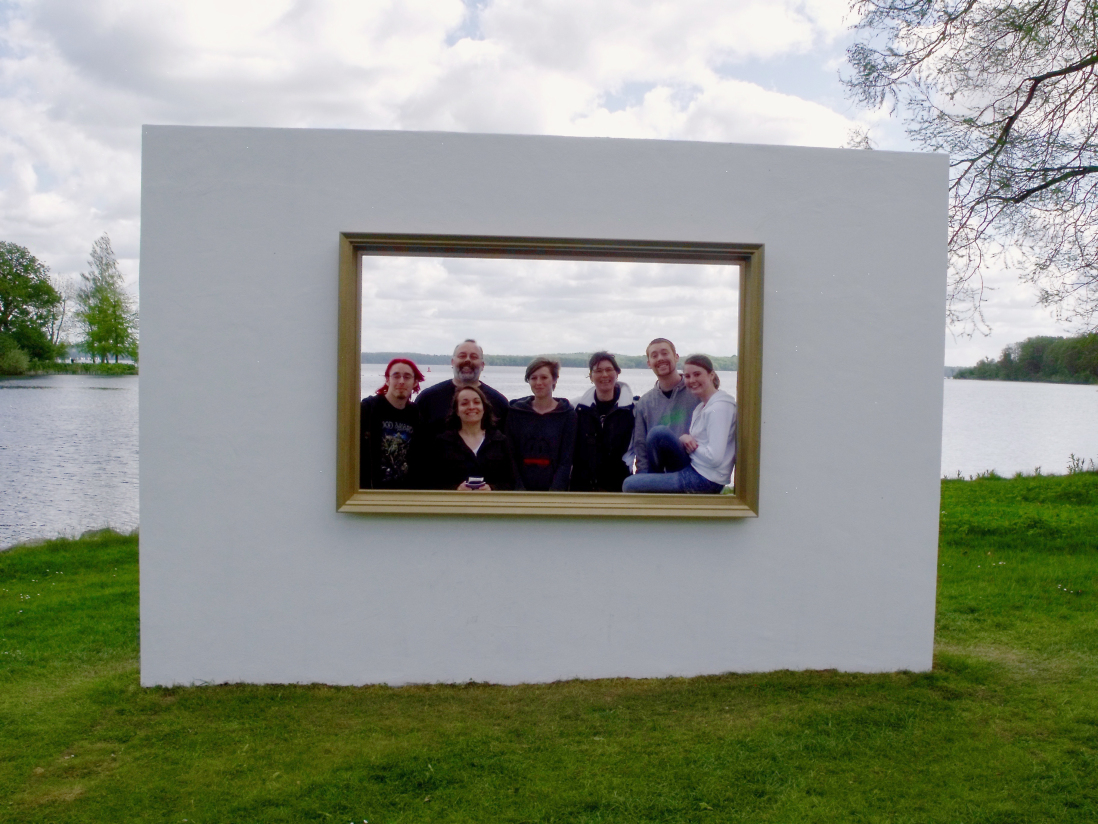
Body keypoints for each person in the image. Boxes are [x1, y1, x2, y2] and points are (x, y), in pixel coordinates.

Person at [623, 354, 736, 494]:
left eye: (697, 374)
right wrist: (685, 439)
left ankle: (651, 489)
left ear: (711, 375)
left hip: (705, 480)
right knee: (658, 433)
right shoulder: (702, 406)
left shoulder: (719, 408)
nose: (692, 380)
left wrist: (688, 445)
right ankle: (652, 481)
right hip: (694, 468)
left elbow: (714, 458)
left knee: (629, 484)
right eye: (688, 376)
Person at [414, 338, 510, 440]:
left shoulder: (500, 402)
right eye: (462, 356)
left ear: (482, 365)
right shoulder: (428, 399)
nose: (467, 360)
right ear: (452, 362)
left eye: (474, 357)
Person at [630, 337, 701, 474]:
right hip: (659, 471)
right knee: (630, 484)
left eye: (665, 353)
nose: (660, 358)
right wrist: (643, 477)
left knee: (659, 432)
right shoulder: (645, 403)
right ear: (649, 363)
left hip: (692, 467)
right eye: (654, 356)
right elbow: (641, 446)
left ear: (676, 357)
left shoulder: (696, 393)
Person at [506, 357, 577, 491]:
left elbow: (566, 460)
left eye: (544, 377)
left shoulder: (567, 415)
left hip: (554, 492)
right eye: (533, 378)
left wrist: (554, 493)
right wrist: (519, 490)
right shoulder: (516, 413)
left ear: (554, 379)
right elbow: (511, 456)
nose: (538, 382)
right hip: (520, 490)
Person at [570, 351, 636, 492]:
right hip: (582, 486)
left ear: (617, 373)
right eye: (598, 371)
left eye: (609, 370)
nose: (604, 375)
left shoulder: (633, 409)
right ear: (591, 376)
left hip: (619, 485)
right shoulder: (576, 408)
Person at [431, 384, 516, 491]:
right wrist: (456, 489)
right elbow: (432, 481)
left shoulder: (500, 441)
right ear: (457, 411)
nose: (471, 407)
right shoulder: (443, 442)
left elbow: (511, 481)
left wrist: (491, 489)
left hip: (491, 505)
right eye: (464, 403)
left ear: (484, 408)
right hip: (455, 505)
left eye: (476, 402)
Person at [359, 358, 424, 489]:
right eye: (396, 376)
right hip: (371, 490)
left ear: (415, 382)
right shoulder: (368, 408)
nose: (401, 381)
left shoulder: (415, 414)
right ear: (387, 380)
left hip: (403, 493)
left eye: (407, 377)